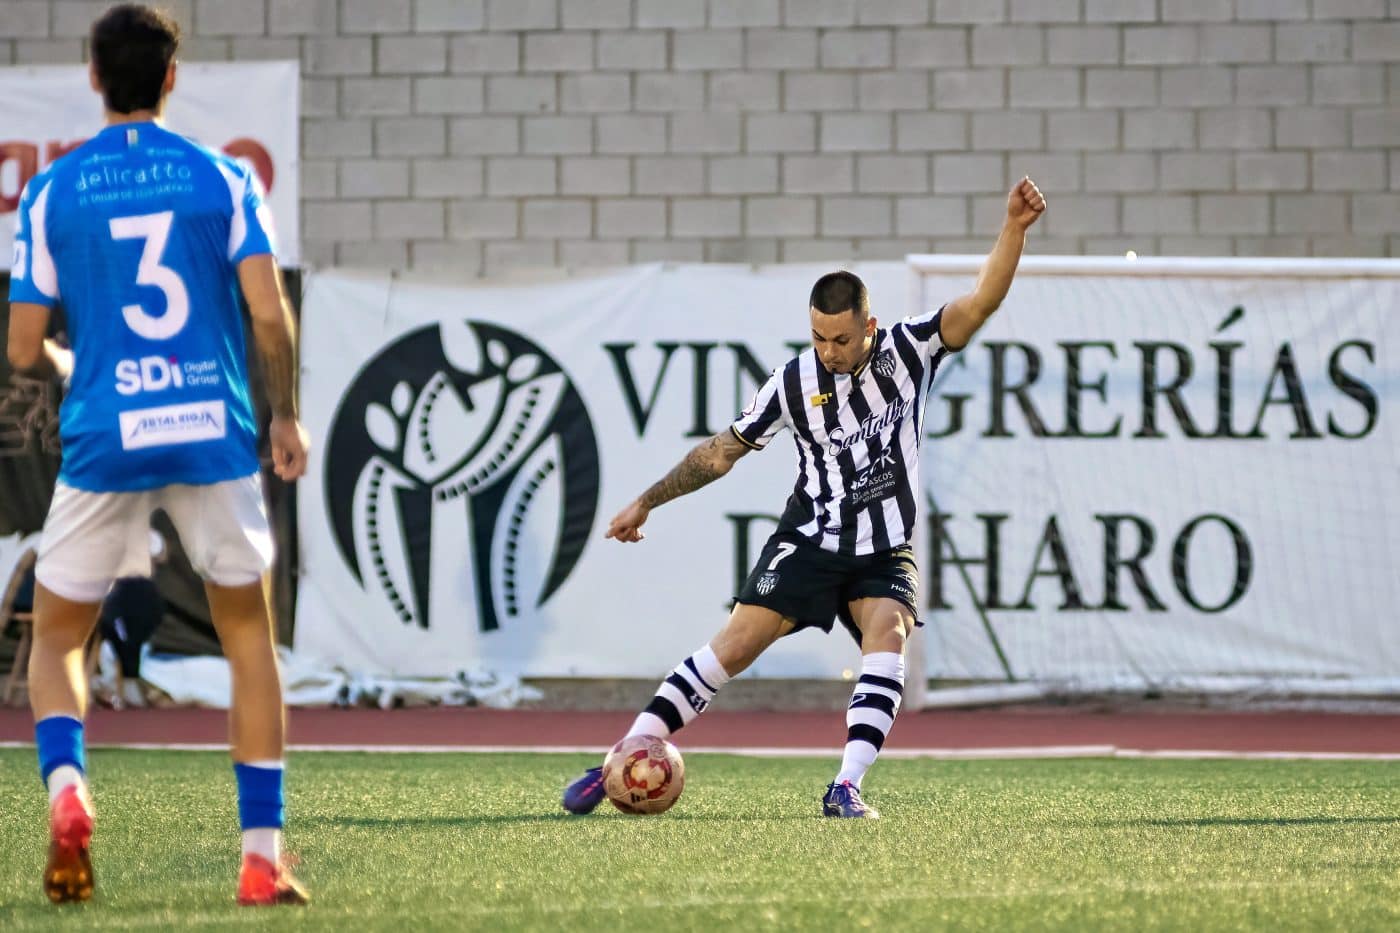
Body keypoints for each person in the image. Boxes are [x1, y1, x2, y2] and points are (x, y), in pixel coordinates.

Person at [564, 176, 1046, 819]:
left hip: (883, 548)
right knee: (733, 647)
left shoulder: (912, 349)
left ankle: (846, 786)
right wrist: (648, 500)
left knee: (889, 632)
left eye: (841, 340)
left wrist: (1013, 227)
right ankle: (621, 758)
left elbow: (982, 300)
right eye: (818, 337)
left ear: (869, 326)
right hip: (810, 539)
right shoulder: (791, 382)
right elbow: (721, 452)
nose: (828, 351)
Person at [6, 4, 310, 905]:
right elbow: (268, 314)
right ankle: (260, 857)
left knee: (56, 636)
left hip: (107, 434)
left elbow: (22, 348)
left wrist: (68, 361)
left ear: (94, 78)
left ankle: (69, 789)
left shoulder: (52, 191)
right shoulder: (224, 177)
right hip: (211, 429)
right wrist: (285, 417)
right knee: (247, 637)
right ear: (172, 77)